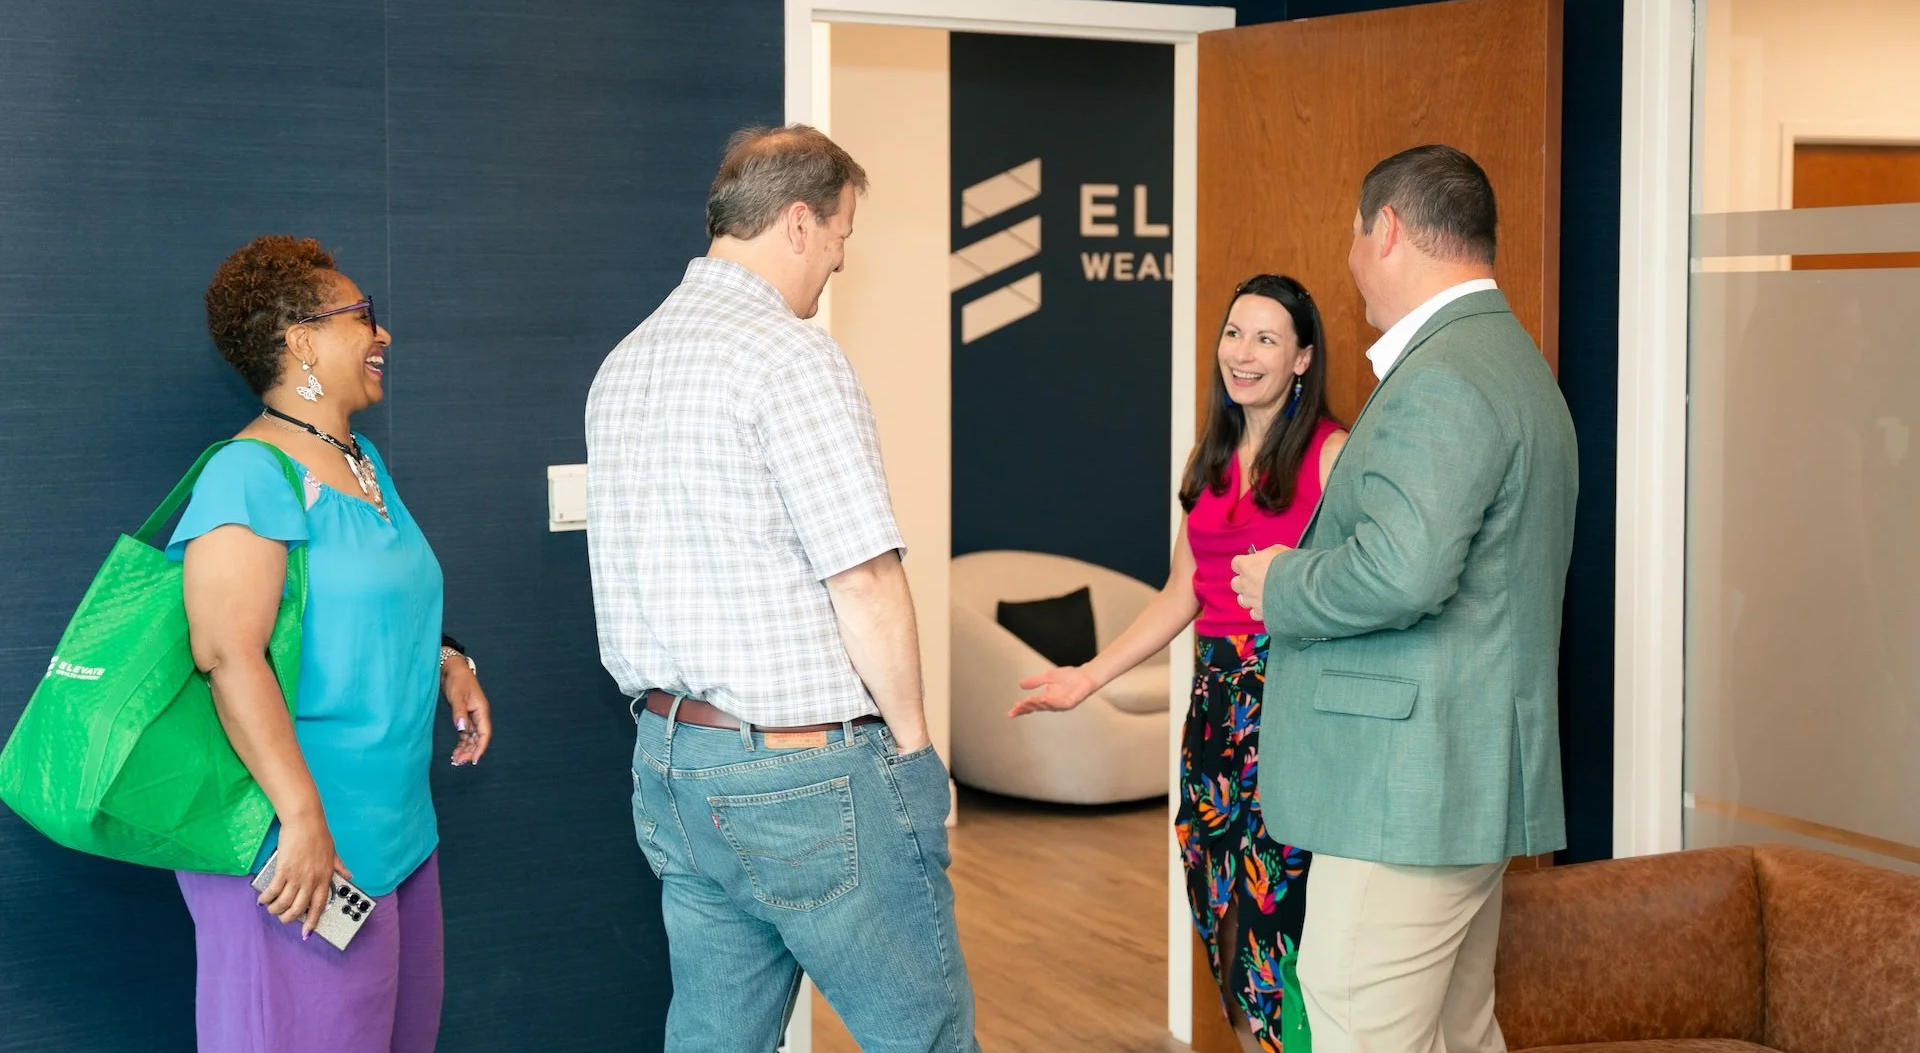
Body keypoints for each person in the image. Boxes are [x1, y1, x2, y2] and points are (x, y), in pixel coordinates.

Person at [586, 125, 977, 1052]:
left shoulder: (627, 360)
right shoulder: (790, 356)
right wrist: (916, 753)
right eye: (841, 235)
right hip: (803, 775)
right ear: (799, 223)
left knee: (715, 1037)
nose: (839, 262)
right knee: (923, 1035)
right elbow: (865, 577)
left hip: (672, 765)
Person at [1230, 145, 1578, 1053]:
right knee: (1458, 1031)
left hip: (1407, 790)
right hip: (1456, 780)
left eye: (1353, 235)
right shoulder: (1507, 359)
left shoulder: (1444, 376)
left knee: (1357, 1018)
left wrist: (1281, 581)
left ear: (1384, 230)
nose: (1350, 261)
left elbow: (1404, 571)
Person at [172, 236, 494, 1053]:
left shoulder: (362, 463)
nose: (383, 335)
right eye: (363, 317)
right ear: (303, 342)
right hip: (300, 852)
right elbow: (225, 654)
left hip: (396, 834)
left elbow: (372, 601)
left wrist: (448, 660)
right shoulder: (247, 474)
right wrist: (302, 819)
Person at [1012, 273, 1346, 1053]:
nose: (1243, 353)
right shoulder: (1213, 456)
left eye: (1266, 339)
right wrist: (1088, 676)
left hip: (1287, 708)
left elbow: (1353, 589)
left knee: (1274, 919)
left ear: (1302, 358)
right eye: (1234, 333)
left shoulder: (1332, 453)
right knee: (1217, 902)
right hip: (1214, 707)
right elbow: (1182, 591)